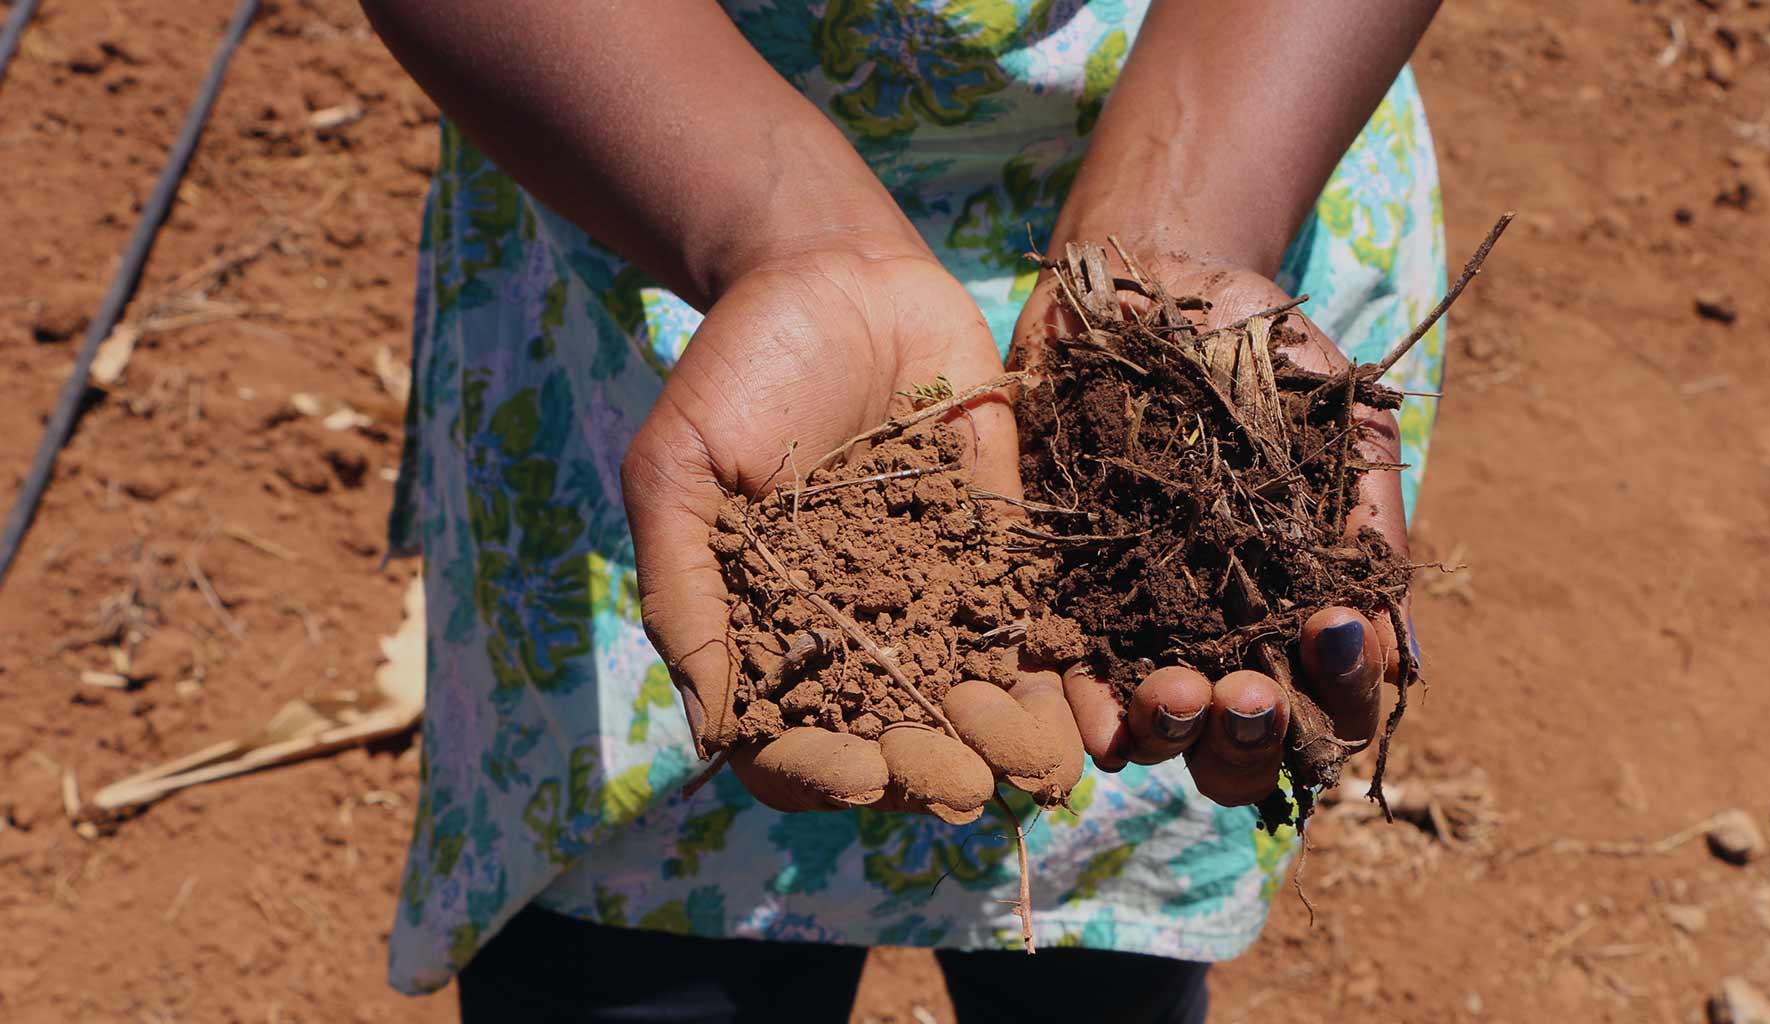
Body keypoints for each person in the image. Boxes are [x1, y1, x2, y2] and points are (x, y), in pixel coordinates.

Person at [359, 2, 1446, 1020]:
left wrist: (1183, 216)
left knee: (1093, 953)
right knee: (644, 956)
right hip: (643, 172)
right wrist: (781, 234)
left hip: (1248, 137)